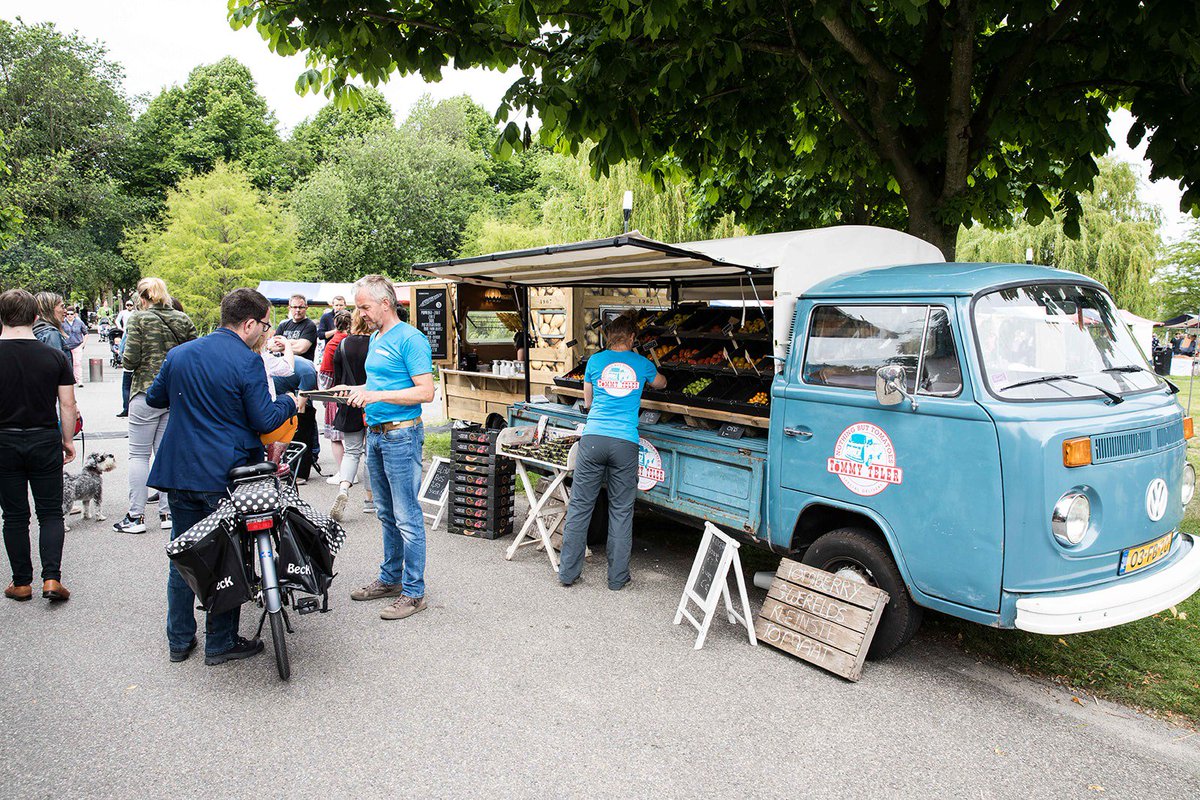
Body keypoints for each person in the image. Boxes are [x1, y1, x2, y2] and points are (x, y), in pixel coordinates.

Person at [146, 288, 301, 665]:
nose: (265, 333)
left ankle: (179, 641)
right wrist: (291, 402)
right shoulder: (246, 361)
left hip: (181, 470)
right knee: (229, 557)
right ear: (248, 323)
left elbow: (154, 398)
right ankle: (220, 641)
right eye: (264, 326)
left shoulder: (179, 354)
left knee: (183, 554)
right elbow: (264, 419)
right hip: (225, 473)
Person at [342, 274, 435, 621]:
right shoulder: (378, 336)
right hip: (377, 434)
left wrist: (375, 394)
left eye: (365, 306)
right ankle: (390, 578)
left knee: (407, 517)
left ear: (385, 303)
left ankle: (414, 592)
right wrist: (352, 388)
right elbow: (381, 383)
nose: (361, 313)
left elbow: (426, 391)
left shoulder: (411, 338)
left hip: (401, 435)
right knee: (385, 513)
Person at [558, 313, 667, 590]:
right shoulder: (641, 363)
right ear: (631, 338)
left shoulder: (595, 361)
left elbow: (587, 400)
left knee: (581, 506)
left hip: (593, 439)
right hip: (624, 443)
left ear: (609, 337)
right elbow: (661, 384)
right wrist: (647, 373)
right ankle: (617, 580)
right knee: (621, 511)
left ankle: (568, 574)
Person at [0, 289, 78, 603]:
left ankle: (20, 583)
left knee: (15, 516)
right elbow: (68, 404)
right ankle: (51, 579)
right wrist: (68, 440)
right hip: (44, 437)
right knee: (50, 513)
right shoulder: (55, 356)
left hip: (4, 440)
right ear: (35, 317)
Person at [113, 277, 197, 535]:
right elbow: (194, 354)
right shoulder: (183, 320)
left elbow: (130, 360)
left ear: (142, 298)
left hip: (145, 391)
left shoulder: (138, 319)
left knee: (139, 454)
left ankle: (136, 516)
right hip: (176, 394)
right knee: (165, 452)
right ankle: (167, 512)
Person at [328, 310, 374, 521]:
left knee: (351, 452)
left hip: (349, 401)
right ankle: (370, 500)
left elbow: (338, 377)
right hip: (372, 400)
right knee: (371, 454)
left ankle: (344, 488)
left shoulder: (343, 344)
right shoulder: (376, 343)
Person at [320, 310, 352, 472]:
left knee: (336, 437)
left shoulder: (333, 343)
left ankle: (343, 472)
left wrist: (326, 397)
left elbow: (325, 372)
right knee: (356, 438)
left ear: (335, 324)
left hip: (336, 391)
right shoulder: (354, 341)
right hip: (355, 391)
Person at [33, 292, 72, 370]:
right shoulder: (51, 334)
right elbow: (54, 368)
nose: (65, 311)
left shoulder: (35, 329)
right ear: (49, 309)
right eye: (62, 307)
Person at [62, 306, 88, 388]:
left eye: (71, 314)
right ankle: (69, 380)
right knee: (67, 364)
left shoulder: (79, 322)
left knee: (77, 363)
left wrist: (83, 344)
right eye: (68, 314)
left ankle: (79, 380)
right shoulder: (62, 323)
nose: (69, 316)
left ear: (74, 315)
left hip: (77, 345)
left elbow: (86, 333)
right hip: (66, 346)